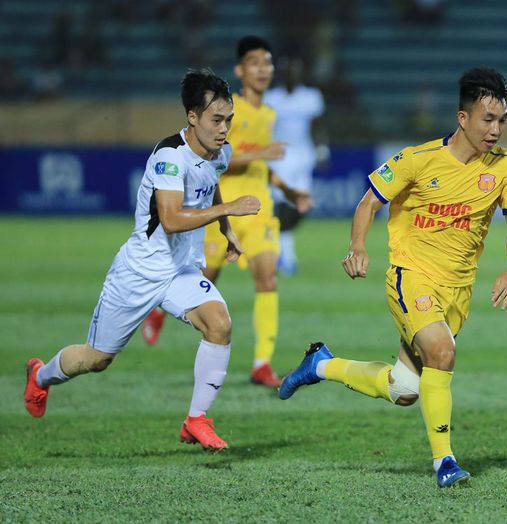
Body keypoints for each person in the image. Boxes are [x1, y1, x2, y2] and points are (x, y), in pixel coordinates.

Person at [279, 68, 507, 487]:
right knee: (442, 353)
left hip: (457, 290)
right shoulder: (418, 159)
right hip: (410, 276)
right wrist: (357, 246)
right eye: (488, 119)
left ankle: (322, 365)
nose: (496, 129)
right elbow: (368, 203)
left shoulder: (506, 167)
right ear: (463, 118)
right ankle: (445, 463)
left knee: (404, 389)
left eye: (502, 120)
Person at [23, 69, 261, 450]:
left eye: (229, 119)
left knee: (219, 324)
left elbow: (209, 185)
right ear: (192, 117)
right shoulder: (169, 156)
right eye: (216, 120)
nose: (224, 129)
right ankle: (40, 376)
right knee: (96, 359)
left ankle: (196, 420)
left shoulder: (220, 153)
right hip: (138, 273)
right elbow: (170, 219)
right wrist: (231, 208)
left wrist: (226, 228)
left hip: (180, 271)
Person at [141, 36, 312, 387]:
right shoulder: (227, 111)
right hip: (222, 208)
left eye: (267, 63)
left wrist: (288, 189)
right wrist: (260, 154)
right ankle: (160, 308)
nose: (263, 69)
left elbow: (259, 167)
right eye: (255, 63)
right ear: (240, 70)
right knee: (206, 280)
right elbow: (221, 162)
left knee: (268, 278)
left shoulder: (268, 113)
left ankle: (262, 363)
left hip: (259, 209)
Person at [264, 55, 327, 275]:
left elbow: (318, 126)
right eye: (288, 71)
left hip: (303, 156)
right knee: (280, 204)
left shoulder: (311, 97)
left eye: (295, 71)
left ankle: (282, 247)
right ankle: (286, 255)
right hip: (279, 157)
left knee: (301, 204)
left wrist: (322, 150)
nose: (292, 75)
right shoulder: (271, 98)